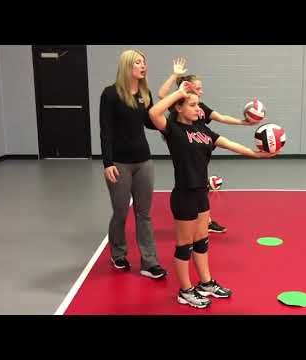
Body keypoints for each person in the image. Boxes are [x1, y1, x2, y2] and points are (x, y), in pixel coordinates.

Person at [149, 81, 279, 308]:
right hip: (184, 194)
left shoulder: (202, 129)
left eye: (198, 104)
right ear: (179, 107)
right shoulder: (173, 130)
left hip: (201, 192)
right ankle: (185, 290)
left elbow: (227, 143)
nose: (198, 109)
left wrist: (255, 154)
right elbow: (153, 111)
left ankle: (206, 283)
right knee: (184, 245)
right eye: (192, 105)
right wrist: (179, 91)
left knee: (201, 241)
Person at [158, 57, 257, 234]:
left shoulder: (200, 106)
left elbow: (222, 117)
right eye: (198, 87)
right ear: (188, 86)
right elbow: (161, 95)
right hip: (186, 142)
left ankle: (206, 220)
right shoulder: (180, 103)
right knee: (191, 180)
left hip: (202, 141)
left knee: (200, 178)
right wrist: (175, 76)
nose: (202, 91)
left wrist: (244, 122)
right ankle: (199, 222)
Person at [99, 49, 167, 279]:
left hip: (144, 161)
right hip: (119, 162)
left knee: (144, 214)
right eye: (138, 62)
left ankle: (150, 262)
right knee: (120, 212)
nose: (143, 65)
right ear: (127, 66)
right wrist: (107, 163)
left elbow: (150, 122)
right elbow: (105, 131)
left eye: (144, 62)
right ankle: (118, 254)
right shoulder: (110, 94)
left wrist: (171, 119)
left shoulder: (145, 94)